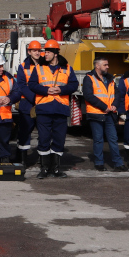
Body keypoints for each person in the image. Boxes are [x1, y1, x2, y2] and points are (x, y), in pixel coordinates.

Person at [27, 39, 78, 179]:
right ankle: (44, 168)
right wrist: (46, 90)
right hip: (44, 108)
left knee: (59, 139)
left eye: (48, 52)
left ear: (56, 53)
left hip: (61, 108)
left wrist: (61, 90)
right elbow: (32, 84)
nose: (45, 54)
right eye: (45, 52)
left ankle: (55, 169)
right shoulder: (39, 68)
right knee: (43, 138)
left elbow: (74, 85)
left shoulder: (67, 68)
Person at [81, 56, 126, 172]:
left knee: (113, 139)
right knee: (98, 139)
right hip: (96, 113)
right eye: (105, 65)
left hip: (109, 114)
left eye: (107, 64)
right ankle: (99, 163)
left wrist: (115, 105)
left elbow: (117, 94)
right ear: (97, 66)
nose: (108, 67)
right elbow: (88, 95)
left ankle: (118, 163)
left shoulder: (110, 79)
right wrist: (104, 106)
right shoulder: (89, 78)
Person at [14, 40, 44, 165]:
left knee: (43, 132)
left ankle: (43, 159)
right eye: (34, 50)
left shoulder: (45, 64)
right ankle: (22, 159)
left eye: (39, 50)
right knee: (25, 131)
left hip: (42, 102)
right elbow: (21, 86)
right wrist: (34, 98)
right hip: (27, 102)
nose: (37, 53)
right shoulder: (23, 67)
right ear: (29, 52)